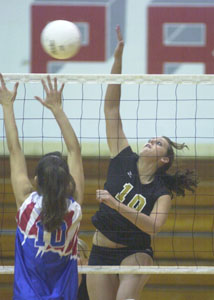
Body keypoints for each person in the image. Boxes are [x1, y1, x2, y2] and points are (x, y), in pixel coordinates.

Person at [86, 26, 198, 300]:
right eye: (152, 139)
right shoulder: (122, 156)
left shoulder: (160, 192)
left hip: (134, 251)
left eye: (158, 143)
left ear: (164, 159)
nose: (151, 141)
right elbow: (111, 108)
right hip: (100, 248)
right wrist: (118, 61)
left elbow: (153, 226)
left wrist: (116, 204)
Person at [0, 74, 84, 300]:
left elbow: (14, 149)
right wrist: (57, 109)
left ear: (36, 180)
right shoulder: (74, 209)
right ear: (68, 182)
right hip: (64, 295)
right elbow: (75, 150)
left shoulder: (26, 204)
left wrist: (7, 106)